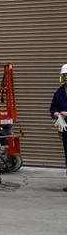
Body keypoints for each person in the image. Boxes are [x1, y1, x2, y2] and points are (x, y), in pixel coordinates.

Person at [50, 63, 67, 192]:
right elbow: (53, 107)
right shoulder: (59, 92)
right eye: (64, 75)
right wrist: (55, 113)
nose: (65, 77)